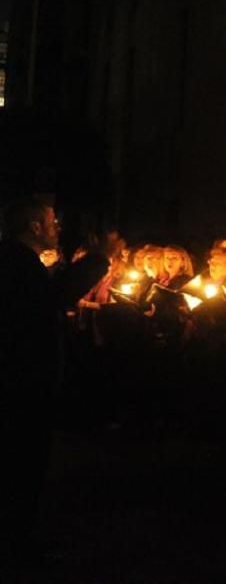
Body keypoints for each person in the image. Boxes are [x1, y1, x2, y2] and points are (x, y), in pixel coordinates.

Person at [0, 196, 62, 564]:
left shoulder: (15, 260)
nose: (57, 228)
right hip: (23, 379)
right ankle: (16, 540)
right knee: (23, 459)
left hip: (18, 375)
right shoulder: (21, 264)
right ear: (35, 226)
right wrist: (99, 260)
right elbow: (48, 304)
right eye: (52, 221)